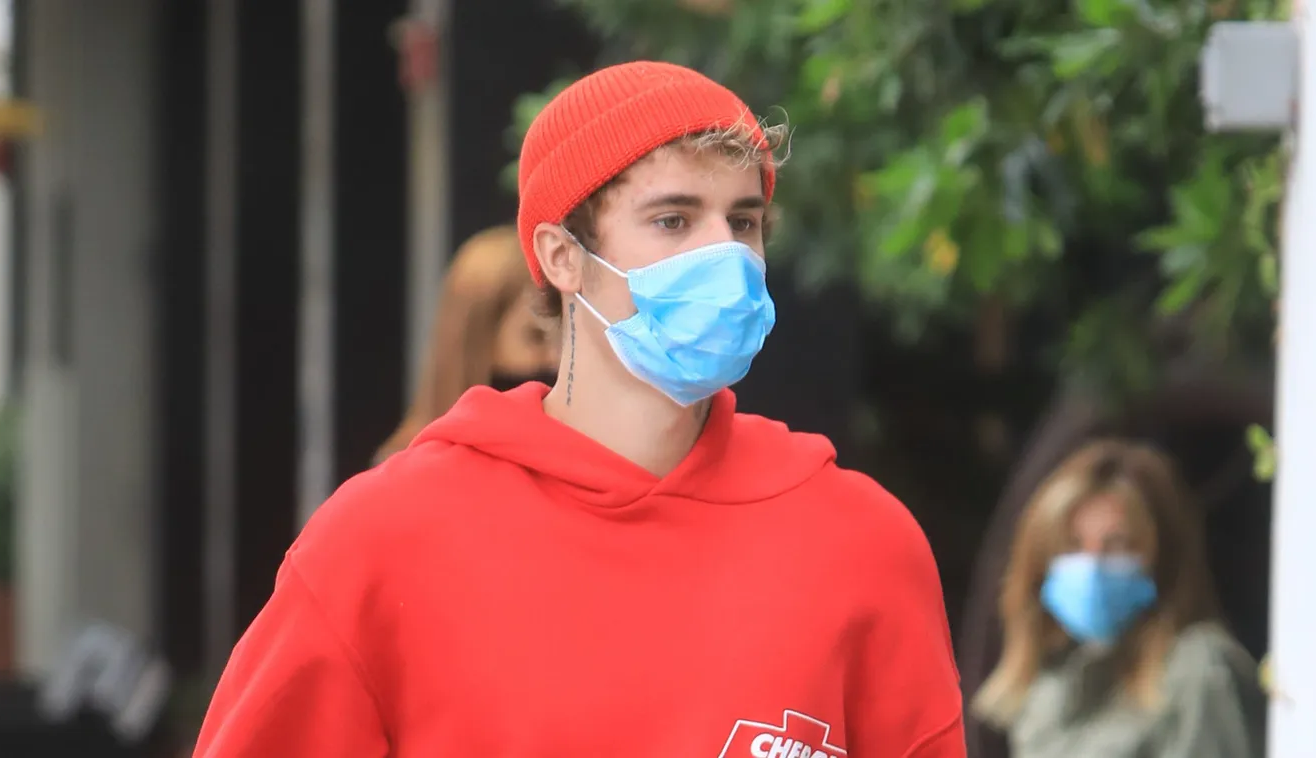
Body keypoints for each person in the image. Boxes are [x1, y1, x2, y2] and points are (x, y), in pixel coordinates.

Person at [192, 60, 964, 757]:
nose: (723, 256)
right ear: (562, 256)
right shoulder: (382, 541)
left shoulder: (861, 544)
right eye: (672, 219)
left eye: (742, 222)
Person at [971, 439, 1265, 758]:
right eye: (1072, 546)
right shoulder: (1047, 687)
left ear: (1163, 559)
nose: (1092, 566)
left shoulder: (1199, 670)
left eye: (1118, 545)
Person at [373, 224, 559, 464]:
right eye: (536, 337)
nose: (556, 358)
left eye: (562, 338)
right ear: (478, 338)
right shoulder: (403, 469)